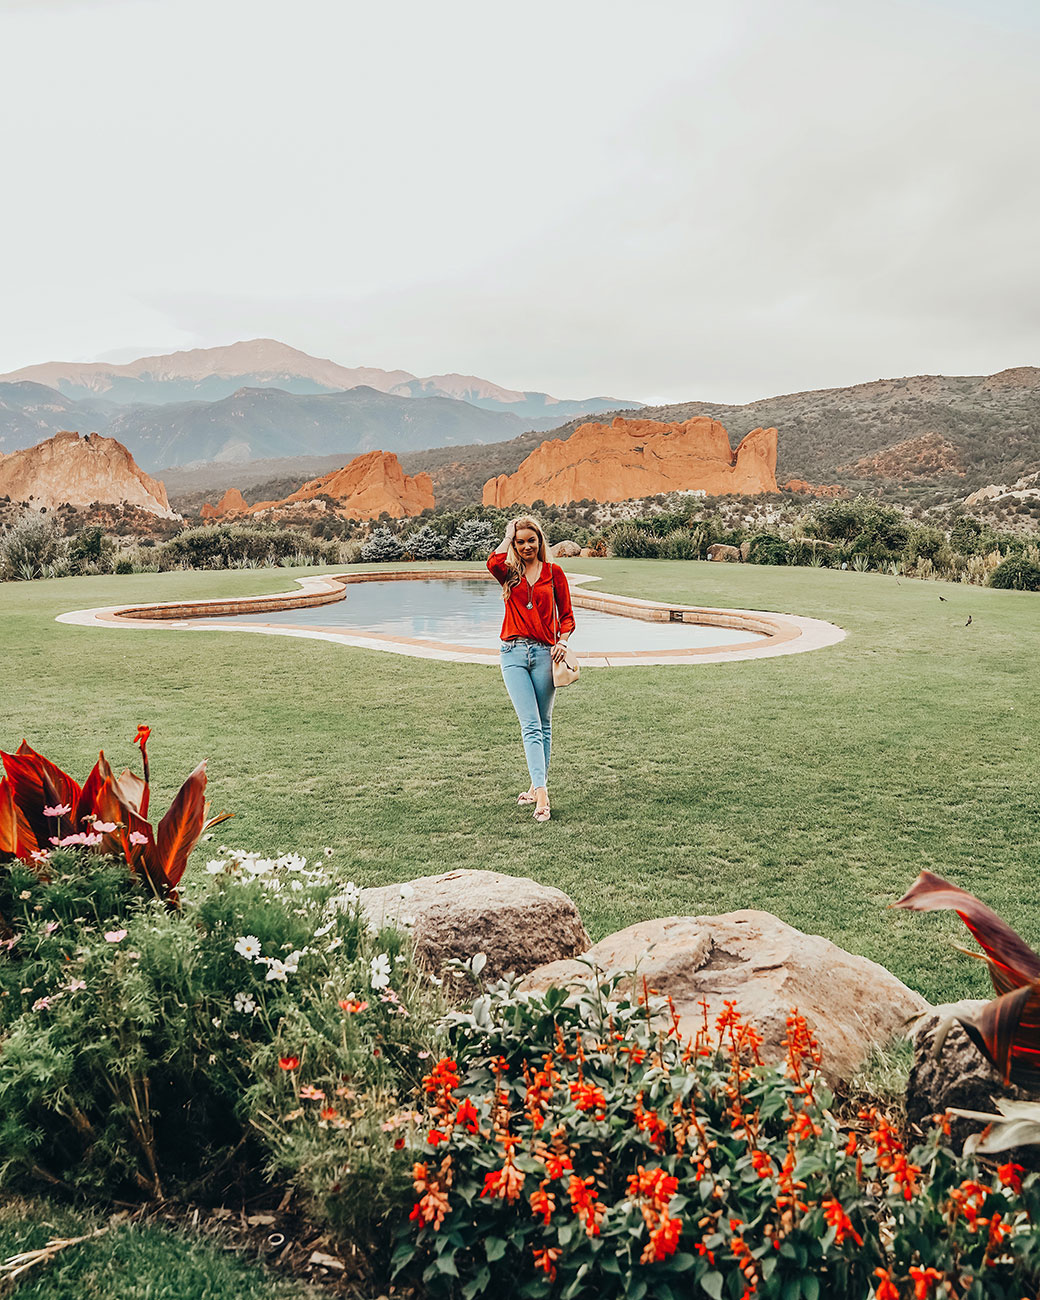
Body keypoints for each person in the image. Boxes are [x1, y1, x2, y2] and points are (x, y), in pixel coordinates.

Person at [487, 516, 575, 824]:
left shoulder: (554, 573)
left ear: (540, 541)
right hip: (512, 653)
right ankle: (542, 792)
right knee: (530, 725)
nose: (526, 546)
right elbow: (492, 562)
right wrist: (508, 532)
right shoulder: (509, 573)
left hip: (543, 653)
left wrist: (563, 641)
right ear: (515, 543)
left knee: (543, 724)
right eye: (520, 541)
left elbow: (567, 616)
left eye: (531, 540)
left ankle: (536, 787)